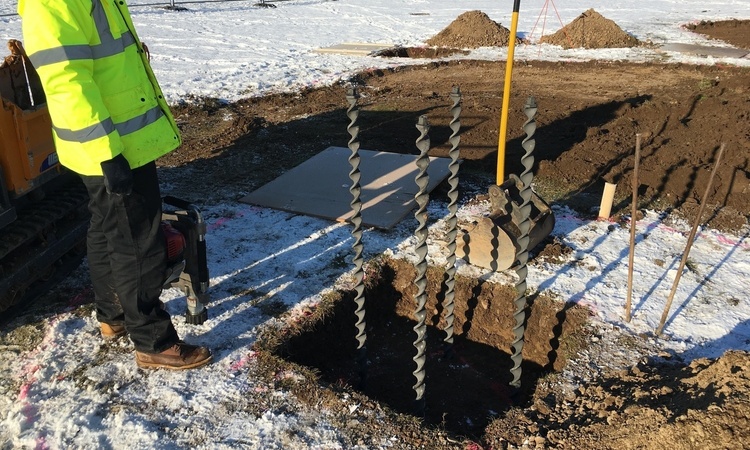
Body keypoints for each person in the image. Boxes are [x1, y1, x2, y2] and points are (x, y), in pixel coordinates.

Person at [18, 0, 212, 370]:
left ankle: (114, 315)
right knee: (138, 243)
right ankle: (153, 341)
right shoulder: (53, 4)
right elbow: (67, 83)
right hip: (112, 145)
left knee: (109, 228)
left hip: (118, 140)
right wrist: (106, 153)